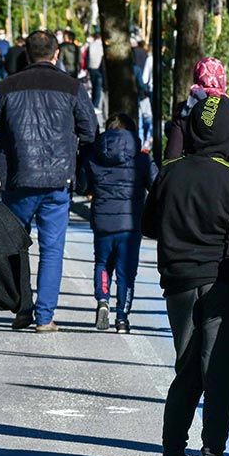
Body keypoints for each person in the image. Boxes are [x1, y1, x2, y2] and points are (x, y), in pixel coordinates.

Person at [142, 96, 229, 456]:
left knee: (187, 370)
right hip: (222, 281)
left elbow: (149, 225)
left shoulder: (170, 172)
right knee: (219, 373)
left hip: (177, 280)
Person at [0, 30, 97, 333]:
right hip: (58, 179)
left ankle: (22, 308)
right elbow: (90, 130)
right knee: (52, 249)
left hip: (18, 177)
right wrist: (72, 156)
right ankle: (45, 317)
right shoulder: (72, 87)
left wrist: (1, 156)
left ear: (26, 55)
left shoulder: (7, 86)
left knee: (16, 246)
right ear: (55, 54)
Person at [86, 113, 157, 333]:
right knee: (126, 272)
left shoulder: (94, 155)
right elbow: (157, 185)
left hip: (103, 222)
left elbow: (83, 185)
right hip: (130, 224)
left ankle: (103, 299)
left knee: (102, 263)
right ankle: (122, 319)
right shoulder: (143, 159)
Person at [164, 57, 229, 160]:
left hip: (193, 172)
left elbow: (172, 155)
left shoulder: (185, 109)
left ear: (197, 77)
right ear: (222, 78)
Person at [87, 31, 105, 109]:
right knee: (98, 87)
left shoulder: (91, 45)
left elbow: (87, 56)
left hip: (91, 67)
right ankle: (95, 104)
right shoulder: (102, 46)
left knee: (94, 86)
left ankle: (93, 102)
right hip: (99, 68)